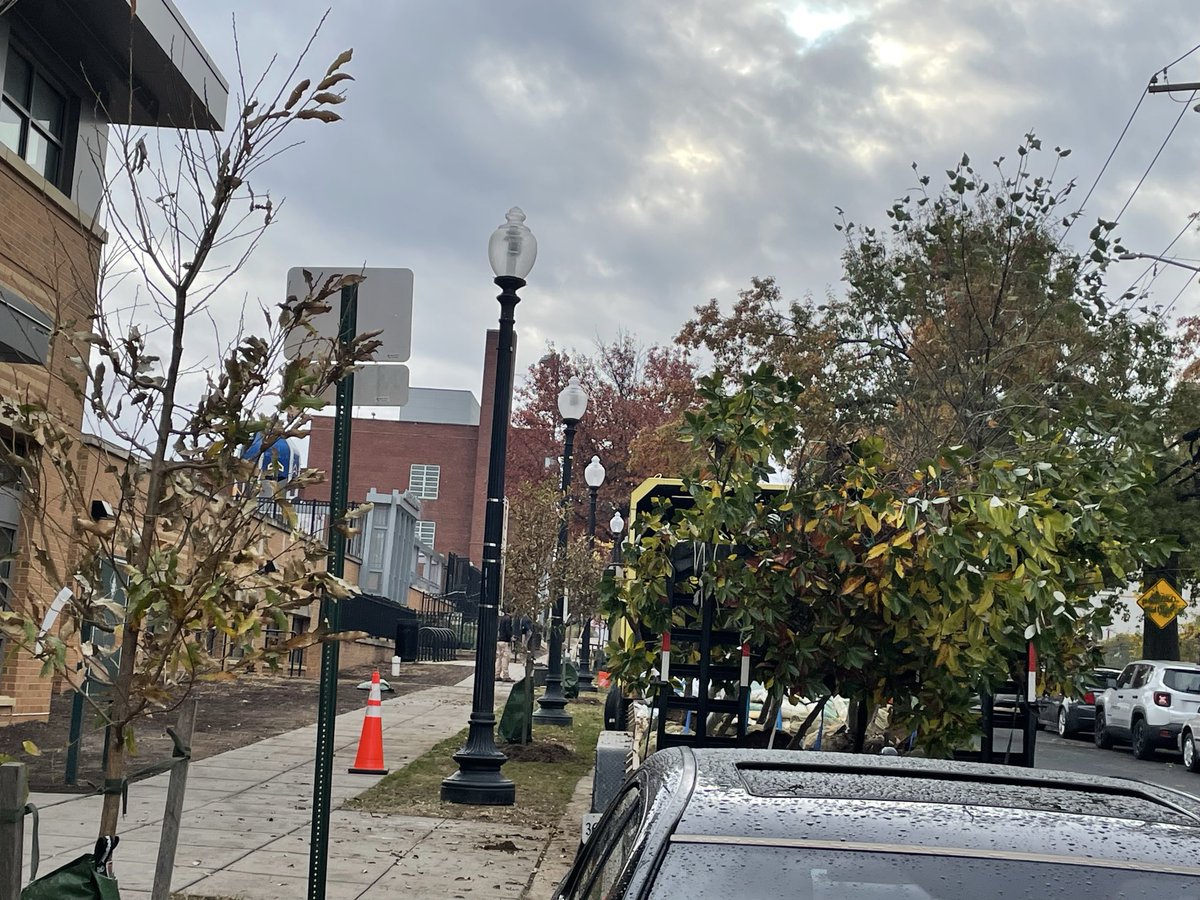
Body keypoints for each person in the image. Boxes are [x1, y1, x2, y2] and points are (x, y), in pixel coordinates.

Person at [496, 611, 514, 682]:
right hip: (505, 641)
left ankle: (496, 674)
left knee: (499, 658)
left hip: (500, 640)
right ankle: (505, 676)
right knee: (505, 659)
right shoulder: (508, 619)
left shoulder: (502, 618)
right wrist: (511, 637)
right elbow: (508, 630)